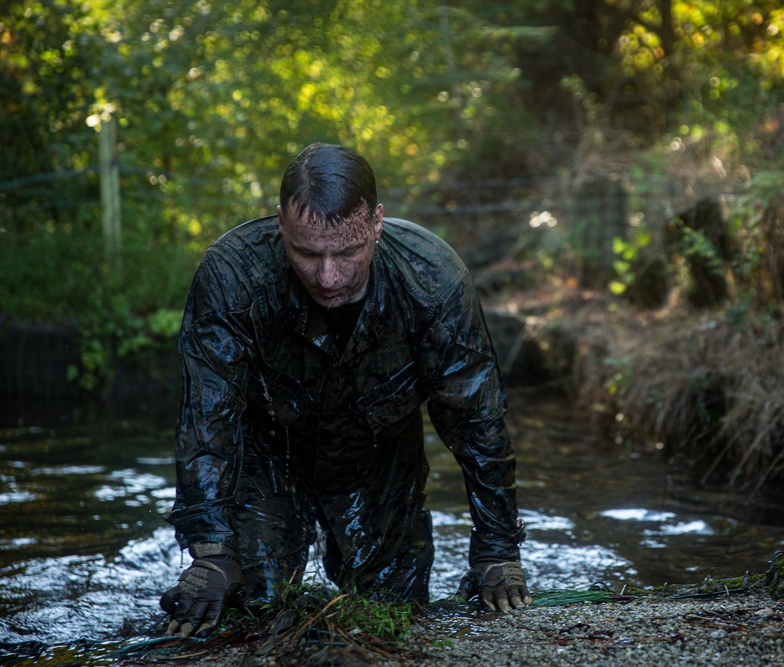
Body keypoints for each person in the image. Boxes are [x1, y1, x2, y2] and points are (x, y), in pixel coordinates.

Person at [159, 143, 531, 638]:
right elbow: (207, 417)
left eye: (349, 252)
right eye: (307, 253)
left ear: (377, 223)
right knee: (257, 617)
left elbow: (475, 419)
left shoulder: (432, 280)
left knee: (394, 624)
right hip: (268, 457)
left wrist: (497, 549)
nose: (328, 276)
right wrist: (211, 551)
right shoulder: (232, 275)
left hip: (381, 462)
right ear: (280, 224)